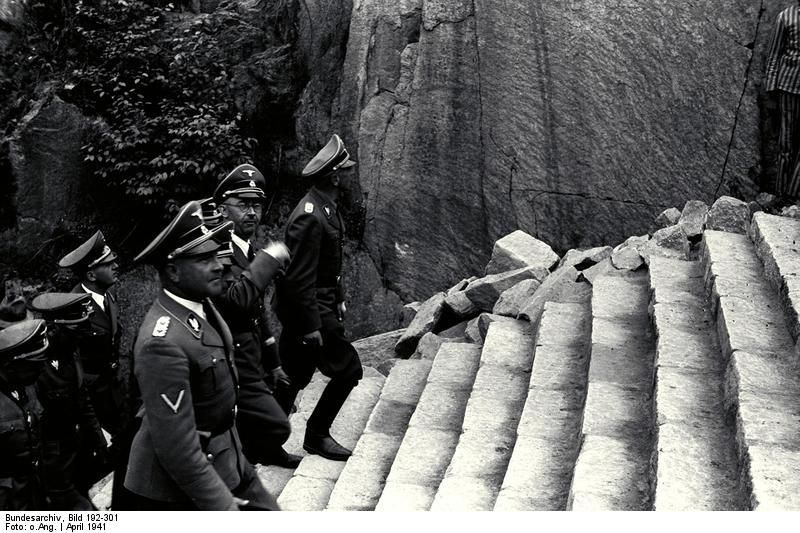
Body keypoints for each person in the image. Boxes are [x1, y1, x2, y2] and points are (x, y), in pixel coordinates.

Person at [124, 200, 277, 510]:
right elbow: (178, 449)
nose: (220, 264)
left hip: (226, 461)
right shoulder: (163, 342)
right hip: (173, 492)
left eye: (217, 254)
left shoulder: (202, 306)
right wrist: (223, 507)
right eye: (205, 258)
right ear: (173, 271)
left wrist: (240, 467)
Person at [273, 134, 363, 461]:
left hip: (319, 306)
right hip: (309, 312)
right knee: (349, 369)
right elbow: (298, 277)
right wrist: (312, 325)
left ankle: (263, 438)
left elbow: (328, 264)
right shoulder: (311, 214)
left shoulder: (326, 207)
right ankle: (316, 435)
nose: (352, 174)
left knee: (293, 377)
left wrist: (338, 296)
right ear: (335, 176)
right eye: (347, 170)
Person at [209, 165, 299, 468]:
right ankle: (243, 463)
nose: (251, 212)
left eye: (256, 205)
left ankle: (258, 456)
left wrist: (273, 362)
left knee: (280, 402)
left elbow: (259, 312)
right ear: (222, 209)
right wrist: (269, 260)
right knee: (268, 424)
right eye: (243, 204)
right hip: (228, 360)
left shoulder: (248, 251)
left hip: (252, 356)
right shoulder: (216, 253)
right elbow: (237, 300)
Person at [31, 293, 106, 510]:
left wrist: (99, 441)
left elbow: (83, 400)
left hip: (78, 447)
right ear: (54, 328)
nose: (80, 335)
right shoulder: (37, 368)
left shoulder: (69, 352)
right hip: (54, 461)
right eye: (74, 330)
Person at [0, 318, 49, 510]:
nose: (41, 371)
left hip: (33, 492)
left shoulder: (26, 387)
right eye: (34, 366)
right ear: (11, 366)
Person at [766, 2, 800, 198]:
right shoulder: (786, 17)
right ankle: (780, 195)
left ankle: (793, 194)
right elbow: (773, 54)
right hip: (787, 86)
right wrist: (770, 88)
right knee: (785, 144)